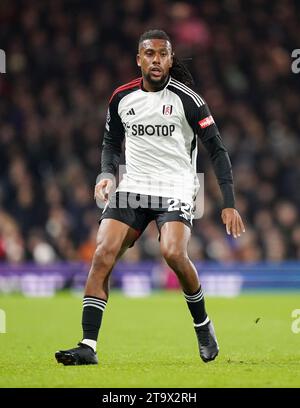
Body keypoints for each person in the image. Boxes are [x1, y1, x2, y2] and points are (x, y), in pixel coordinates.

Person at [55, 29, 245, 366]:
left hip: (176, 187)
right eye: (149, 54)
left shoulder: (189, 100)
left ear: (171, 59)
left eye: (162, 54)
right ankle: (88, 345)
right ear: (139, 59)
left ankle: (202, 325)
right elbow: (111, 143)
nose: (156, 60)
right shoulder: (121, 98)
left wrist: (229, 202)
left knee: (172, 252)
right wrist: (105, 174)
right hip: (134, 186)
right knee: (103, 254)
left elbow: (217, 149)